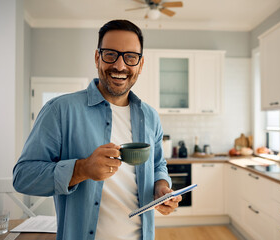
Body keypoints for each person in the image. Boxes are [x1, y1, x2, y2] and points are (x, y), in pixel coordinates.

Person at [13, 19, 181, 240]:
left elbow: (158, 163)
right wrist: (81, 169)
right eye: (111, 54)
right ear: (97, 58)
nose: (120, 66)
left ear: (140, 64)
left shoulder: (150, 116)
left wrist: (161, 186)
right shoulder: (59, 110)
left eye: (130, 57)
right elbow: (23, 177)